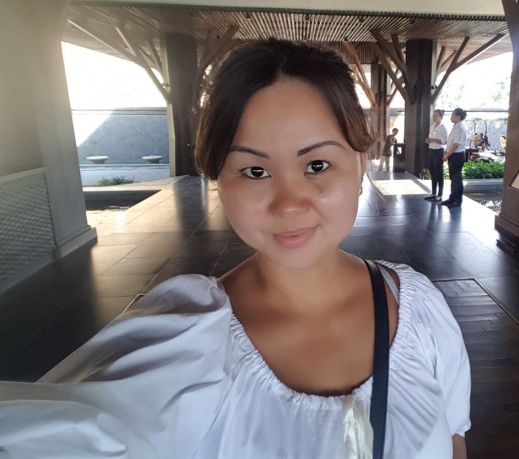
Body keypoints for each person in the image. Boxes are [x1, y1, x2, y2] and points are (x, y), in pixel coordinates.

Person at [0, 39, 471, 459]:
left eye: (317, 164)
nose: (289, 204)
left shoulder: (418, 308)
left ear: (360, 164)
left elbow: (453, 439)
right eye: (255, 171)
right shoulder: (184, 337)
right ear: (219, 181)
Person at [442, 108, 468, 208]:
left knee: (457, 179)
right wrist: (446, 152)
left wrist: (446, 155)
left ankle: (457, 201)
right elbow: (451, 142)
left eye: (452, 115)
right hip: (453, 155)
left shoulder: (460, 128)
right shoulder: (456, 126)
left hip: (457, 156)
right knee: (453, 178)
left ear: (458, 116)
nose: (451, 117)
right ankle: (452, 198)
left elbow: (456, 145)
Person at [424, 109, 448, 202]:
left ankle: (440, 194)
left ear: (441, 117)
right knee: (432, 172)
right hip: (431, 150)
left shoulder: (443, 128)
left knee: (439, 173)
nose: (434, 117)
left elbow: (445, 141)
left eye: (436, 116)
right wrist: (428, 140)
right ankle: (433, 193)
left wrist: (433, 140)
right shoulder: (432, 127)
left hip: (439, 151)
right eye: (433, 115)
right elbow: (430, 138)